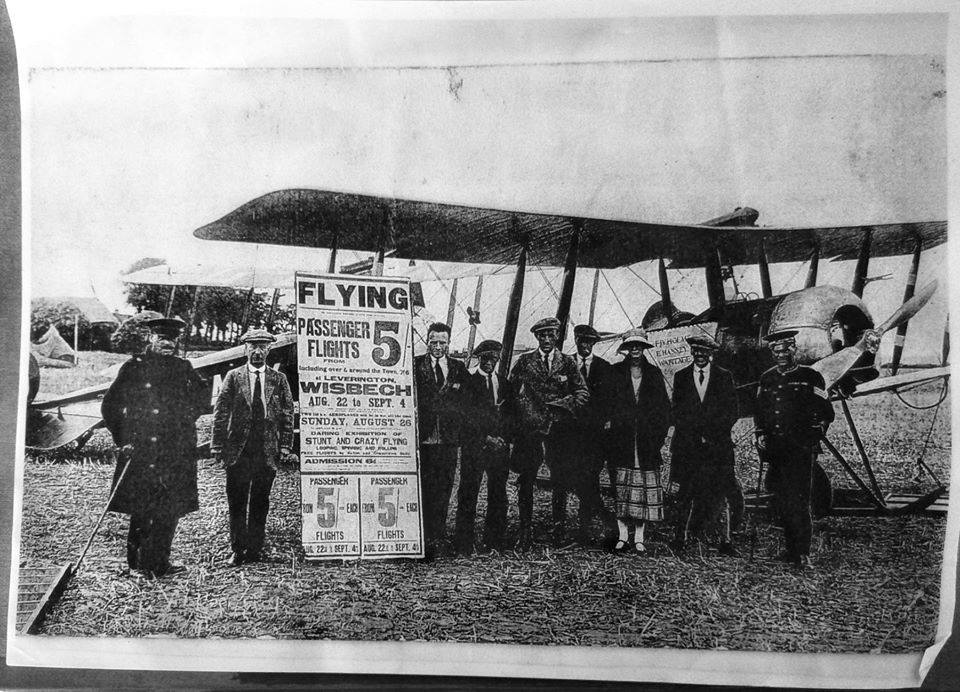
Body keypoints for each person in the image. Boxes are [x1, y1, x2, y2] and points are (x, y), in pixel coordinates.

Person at [101, 316, 207, 578]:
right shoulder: (134, 368)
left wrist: (187, 418)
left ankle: (160, 562)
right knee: (142, 506)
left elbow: (202, 395)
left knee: (169, 506)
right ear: (150, 338)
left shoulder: (184, 368)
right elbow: (110, 406)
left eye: (172, 339)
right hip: (141, 449)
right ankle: (136, 564)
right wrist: (123, 439)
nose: (167, 344)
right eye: (162, 338)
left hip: (175, 451)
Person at [211, 329, 295, 566]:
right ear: (245, 349)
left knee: (260, 500)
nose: (257, 351)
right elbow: (221, 412)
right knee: (236, 501)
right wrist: (218, 445)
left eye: (262, 346)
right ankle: (238, 549)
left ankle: (256, 549)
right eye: (253, 346)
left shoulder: (279, 380)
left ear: (269, 349)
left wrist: (286, 446)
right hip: (238, 450)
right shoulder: (233, 376)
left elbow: (288, 414)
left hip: (266, 450)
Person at [755, 329, 835, 569]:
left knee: (800, 501)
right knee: (782, 499)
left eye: (785, 350)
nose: (781, 355)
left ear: (794, 350)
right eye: (776, 351)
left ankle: (802, 553)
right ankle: (790, 550)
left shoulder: (810, 377)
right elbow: (760, 413)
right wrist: (760, 436)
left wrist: (814, 434)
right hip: (776, 449)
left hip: (800, 448)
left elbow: (826, 412)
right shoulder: (766, 378)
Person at [509, 316, 589, 549]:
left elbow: (582, 392)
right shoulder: (524, 361)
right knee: (526, 479)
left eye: (550, 335)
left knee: (560, 479)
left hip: (559, 430)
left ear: (557, 337)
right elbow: (512, 393)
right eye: (541, 335)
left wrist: (563, 406)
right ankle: (525, 531)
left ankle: (558, 529)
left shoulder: (567, 362)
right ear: (536, 337)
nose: (546, 339)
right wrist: (525, 412)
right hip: (530, 430)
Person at [669, 334, 743, 557]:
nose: (699, 355)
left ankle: (726, 541)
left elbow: (732, 411)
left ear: (711, 353)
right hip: (687, 447)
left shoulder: (724, 377)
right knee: (684, 493)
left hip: (717, 447)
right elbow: (677, 412)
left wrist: (711, 435)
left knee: (722, 491)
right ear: (691, 352)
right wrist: (694, 434)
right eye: (696, 351)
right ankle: (680, 538)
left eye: (704, 352)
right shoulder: (681, 377)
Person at [605, 327, 670, 553]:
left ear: (643, 349)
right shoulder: (614, 373)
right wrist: (611, 428)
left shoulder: (653, 374)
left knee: (642, 490)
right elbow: (607, 407)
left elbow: (664, 410)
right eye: (631, 346)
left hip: (645, 443)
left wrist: (657, 437)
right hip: (621, 441)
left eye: (638, 346)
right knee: (621, 489)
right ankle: (622, 536)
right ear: (626, 349)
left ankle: (639, 537)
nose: (635, 350)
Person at [452, 339, 514, 554]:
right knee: (469, 491)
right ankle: (464, 543)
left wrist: (504, 439)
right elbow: (465, 417)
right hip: (476, 446)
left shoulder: (504, 384)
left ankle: (494, 541)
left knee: (498, 493)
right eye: (485, 358)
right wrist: (486, 438)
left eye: (494, 359)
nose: (489, 363)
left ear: (498, 359)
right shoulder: (468, 382)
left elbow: (511, 416)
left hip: (500, 448)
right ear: (479, 358)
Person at [413, 322, 470, 558]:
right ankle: (425, 538)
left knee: (445, 486)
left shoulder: (457, 368)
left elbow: (468, 400)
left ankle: (439, 535)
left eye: (442, 343)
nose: (438, 347)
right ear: (428, 341)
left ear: (449, 343)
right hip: (424, 438)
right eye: (434, 342)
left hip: (448, 438)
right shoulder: (415, 365)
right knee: (425, 487)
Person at [563, 324, 616, 546]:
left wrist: (603, 422)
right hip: (570, 435)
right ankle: (604, 518)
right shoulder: (565, 365)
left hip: (594, 436)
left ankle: (585, 529)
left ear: (594, 344)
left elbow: (609, 401)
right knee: (576, 478)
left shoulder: (605, 368)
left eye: (589, 342)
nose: (585, 346)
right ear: (575, 341)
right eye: (581, 341)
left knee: (590, 478)